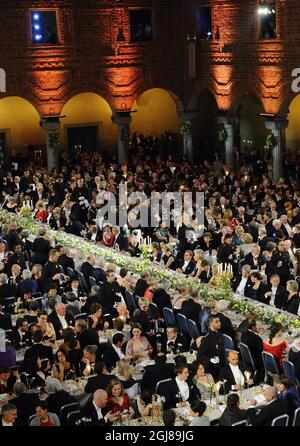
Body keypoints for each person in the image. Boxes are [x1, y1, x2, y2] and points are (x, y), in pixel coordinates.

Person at [197, 315, 226, 380]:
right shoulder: (208, 338)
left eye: (219, 321)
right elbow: (199, 354)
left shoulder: (220, 334)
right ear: (210, 324)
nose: (219, 323)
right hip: (213, 369)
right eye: (216, 322)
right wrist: (210, 360)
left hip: (221, 366)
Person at [240, 319, 264, 384]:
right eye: (258, 326)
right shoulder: (256, 339)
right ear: (253, 327)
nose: (260, 327)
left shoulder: (243, 334)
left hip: (247, 359)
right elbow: (262, 350)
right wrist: (259, 336)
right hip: (256, 361)